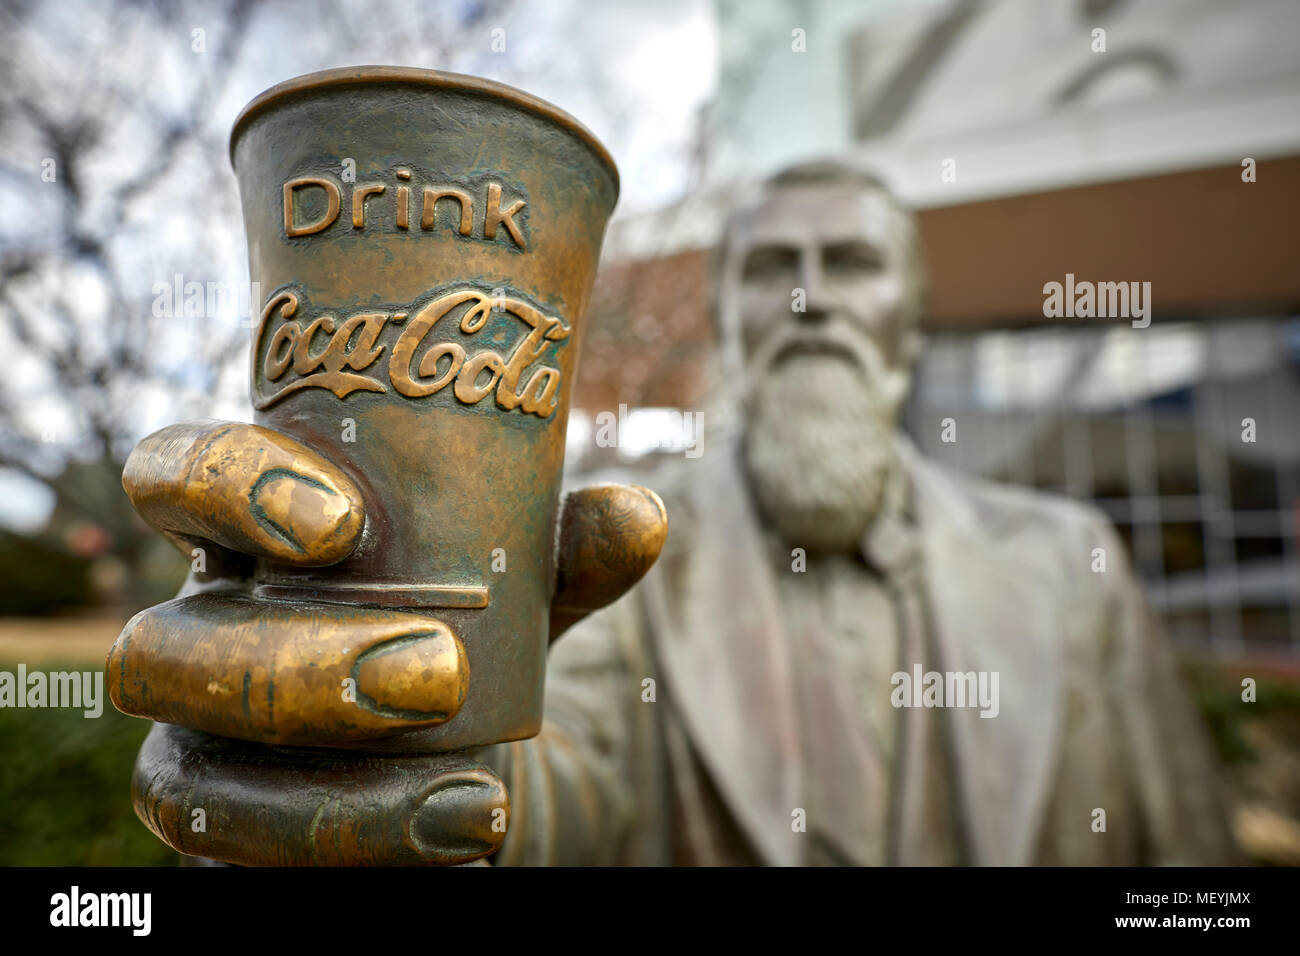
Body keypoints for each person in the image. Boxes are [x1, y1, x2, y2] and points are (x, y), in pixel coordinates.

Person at [115, 159, 1236, 866]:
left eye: (847, 264)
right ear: (731, 322)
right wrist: (393, 758)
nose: (807, 299)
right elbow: (548, 786)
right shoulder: (623, 556)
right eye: (769, 270)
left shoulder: (1065, 560)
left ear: (910, 322)